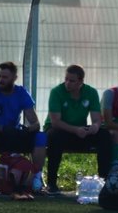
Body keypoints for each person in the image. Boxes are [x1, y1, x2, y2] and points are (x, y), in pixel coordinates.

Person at [44, 64, 112, 194]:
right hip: (60, 130)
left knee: (104, 135)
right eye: (66, 79)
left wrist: (95, 127)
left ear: (81, 81)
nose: (67, 83)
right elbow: (55, 122)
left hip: (79, 132)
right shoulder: (56, 92)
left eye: (72, 80)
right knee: (54, 136)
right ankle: (51, 183)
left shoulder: (91, 92)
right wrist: (76, 130)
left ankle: (104, 181)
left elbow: (97, 119)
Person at [0, 61, 46, 193]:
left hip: (15, 134)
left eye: (5, 77)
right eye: (0, 76)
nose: (1, 80)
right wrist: (3, 129)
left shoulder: (22, 93)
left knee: (40, 137)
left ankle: (37, 178)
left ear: (14, 78)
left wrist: (27, 131)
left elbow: (36, 123)